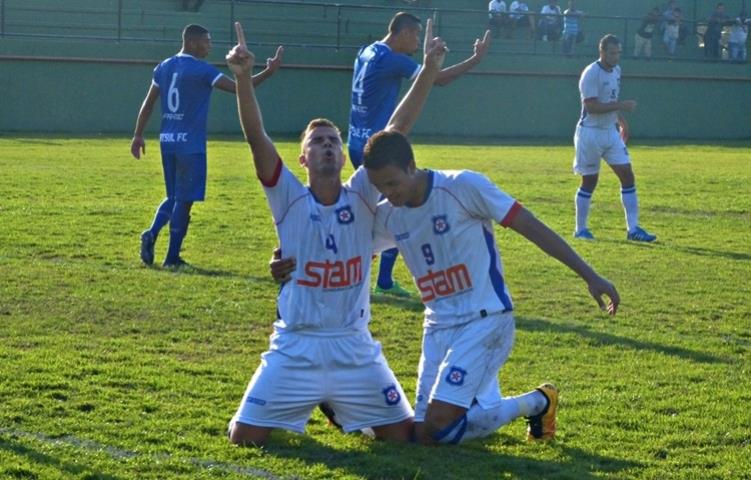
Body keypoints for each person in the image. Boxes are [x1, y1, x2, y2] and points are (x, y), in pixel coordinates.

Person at [225, 20, 449, 446]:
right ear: (303, 159)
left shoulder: (363, 193)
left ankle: (340, 403)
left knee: (402, 438)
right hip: (297, 345)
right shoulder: (287, 197)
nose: (327, 145)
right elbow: (257, 138)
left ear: (345, 157)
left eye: (333, 141)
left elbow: (396, 130)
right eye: (317, 142)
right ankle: (325, 399)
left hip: (353, 346)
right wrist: (243, 81)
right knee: (244, 438)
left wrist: (428, 70)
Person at [360, 97, 620, 447]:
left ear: (411, 166)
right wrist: (290, 261)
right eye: (380, 189)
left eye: (392, 184)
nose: (388, 195)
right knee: (419, 435)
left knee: (437, 428)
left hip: (486, 320)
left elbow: (532, 227)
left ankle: (537, 402)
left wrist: (590, 275)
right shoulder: (389, 214)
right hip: (437, 328)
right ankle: (534, 401)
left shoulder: (463, 187)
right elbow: (352, 254)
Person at [348, 12, 490, 298]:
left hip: (357, 141)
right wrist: (475, 60)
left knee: (375, 212)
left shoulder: (367, 51)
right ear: (402, 32)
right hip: (381, 147)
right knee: (401, 208)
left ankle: (370, 272)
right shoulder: (392, 58)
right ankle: (380, 279)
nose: (416, 42)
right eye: (415, 35)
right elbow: (438, 79)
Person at [131, 24, 282, 267]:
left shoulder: (164, 66)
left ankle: (151, 234)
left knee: (173, 195)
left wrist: (138, 135)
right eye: (207, 41)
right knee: (185, 198)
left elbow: (148, 104)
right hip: (190, 145)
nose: (210, 46)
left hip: (167, 142)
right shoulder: (202, 70)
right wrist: (267, 72)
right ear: (192, 43)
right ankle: (172, 259)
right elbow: (240, 88)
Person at [573, 34, 656, 242]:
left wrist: (621, 121)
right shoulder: (591, 73)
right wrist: (620, 106)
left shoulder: (617, 71)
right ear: (601, 52)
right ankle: (580, 230)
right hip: (590, 133)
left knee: (628, 176)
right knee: (589, 181)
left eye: (618, 52)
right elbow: (591, 107)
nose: (616, 57)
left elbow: (610, 100)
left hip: (610, 132)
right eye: (612, 53)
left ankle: (633, 229)